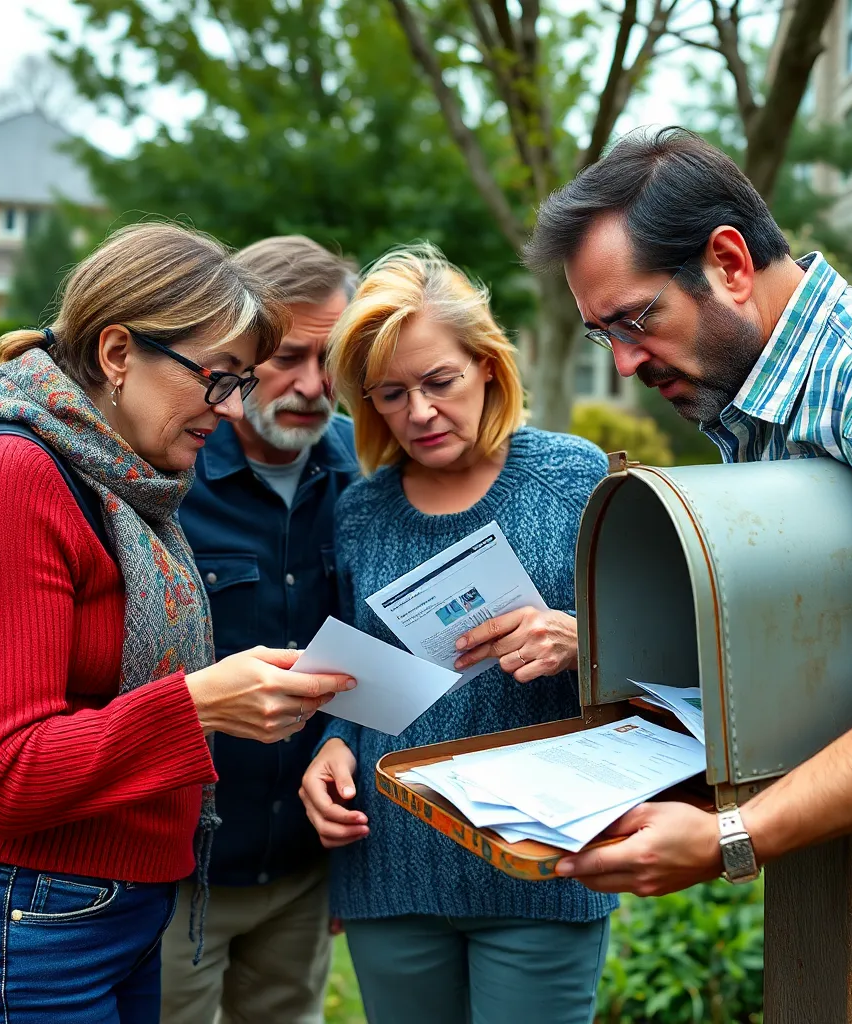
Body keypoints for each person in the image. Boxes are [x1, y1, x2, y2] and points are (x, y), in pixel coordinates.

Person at [0, 222, 354, 1023]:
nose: (229, 412)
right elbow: (7, 774)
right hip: (28, 926)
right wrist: (198, 706)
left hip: (117, 912)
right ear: (119, 352)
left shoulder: (129, 481)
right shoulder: (10, 477)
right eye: (219, 379)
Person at [521, 126, 852, 897]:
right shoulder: (747, 396)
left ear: (728, 263)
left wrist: (732, 838)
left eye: (634, 321)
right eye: (600, 334)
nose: (623, 362)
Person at [299, 244, 616, 1024]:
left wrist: (582, 638)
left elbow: (663, 652)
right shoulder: (360, 510)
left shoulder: (571, 476)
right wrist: (330, 742)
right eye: (390, 395)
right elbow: (357, 676)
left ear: (486, 365)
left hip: (539, 862)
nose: (420, 413)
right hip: (392, 865)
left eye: (438, 382)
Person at [161, 236, 359, 1024]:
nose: (314, 386)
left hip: (304, 872)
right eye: (288, 357)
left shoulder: (366, 472)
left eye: (333, 358)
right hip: (183, 872)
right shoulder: (168, 475)